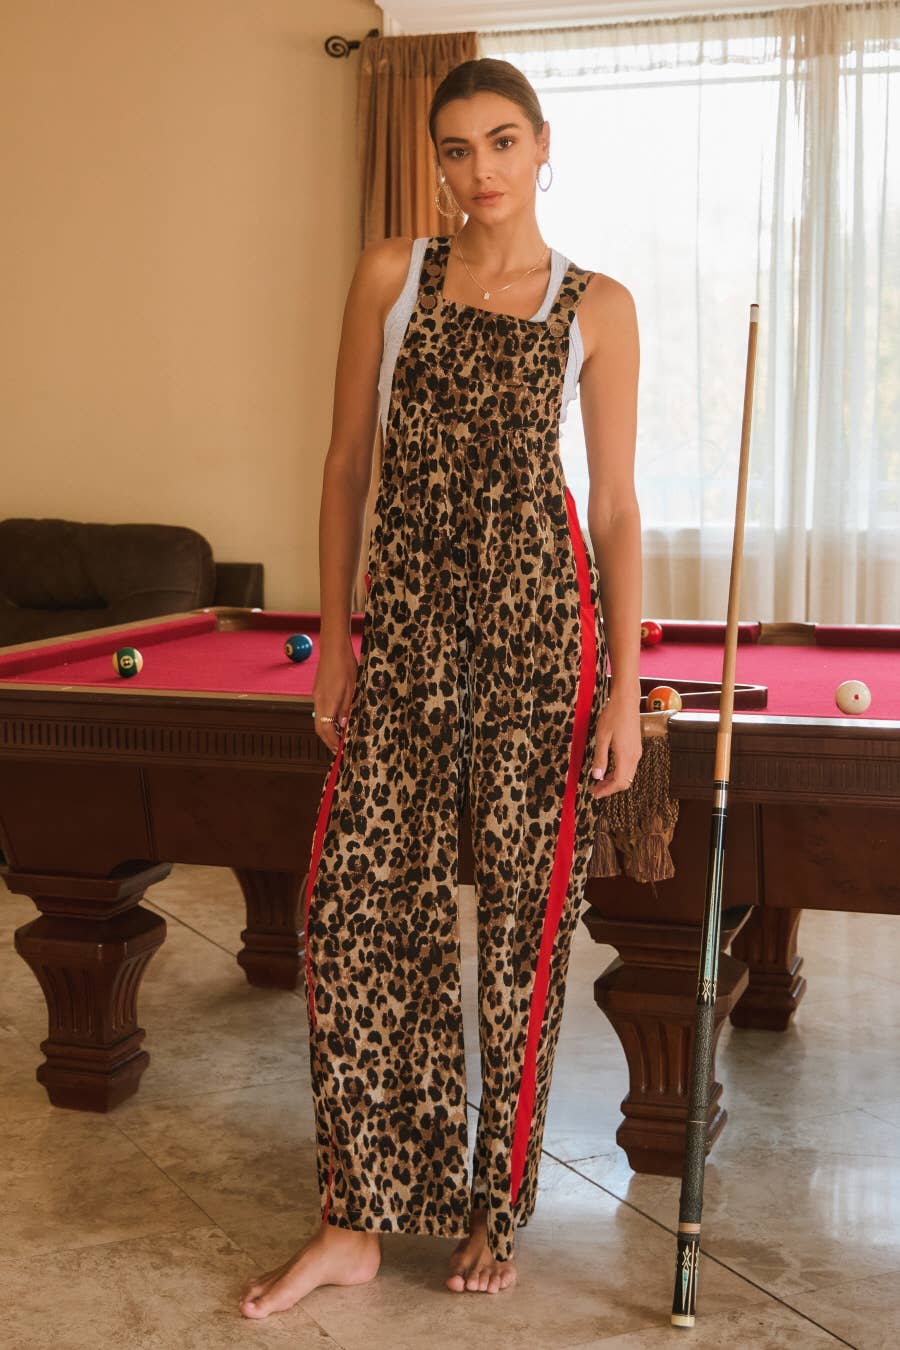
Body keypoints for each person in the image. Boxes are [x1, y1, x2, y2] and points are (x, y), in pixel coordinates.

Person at [240, 56, 641, 1319]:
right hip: (406, 638)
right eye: (458, 149)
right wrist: (336, 639)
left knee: (520, 935)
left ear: (544, 145)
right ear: (438, 163)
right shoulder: (392, 274)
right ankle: (355, 1221)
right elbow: (344, 464)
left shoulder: (596, 304)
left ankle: (491, 1206)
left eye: (504, 142)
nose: (482, 170)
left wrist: (624, 689)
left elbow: (617, 509)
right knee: (355, 914)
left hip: (540, 644)